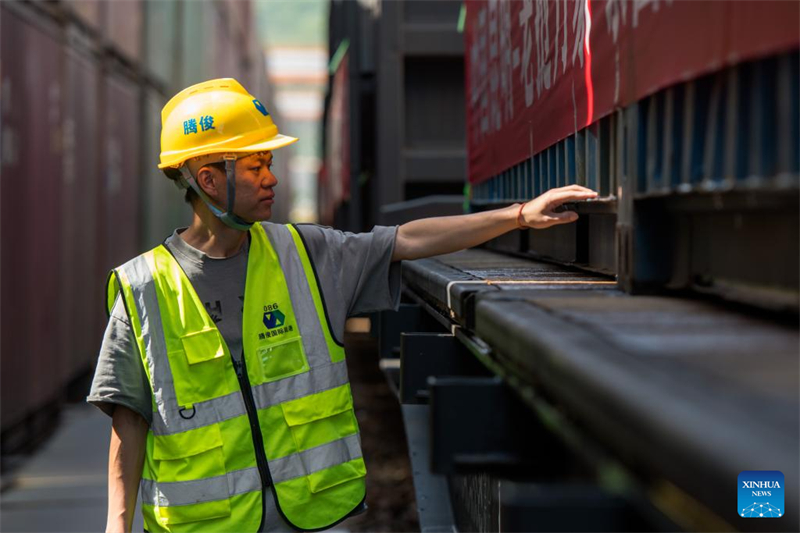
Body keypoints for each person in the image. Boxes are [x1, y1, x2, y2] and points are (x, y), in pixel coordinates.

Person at [87, 78, 597, 533]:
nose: (272, 178)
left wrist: (519, 215)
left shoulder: (306, 254)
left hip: (305, 517)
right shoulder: (143, 286)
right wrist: (118, 524)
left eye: (270, 163)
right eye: (254, 165)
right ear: (208, 179)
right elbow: (128, 418)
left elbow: (406, 241)